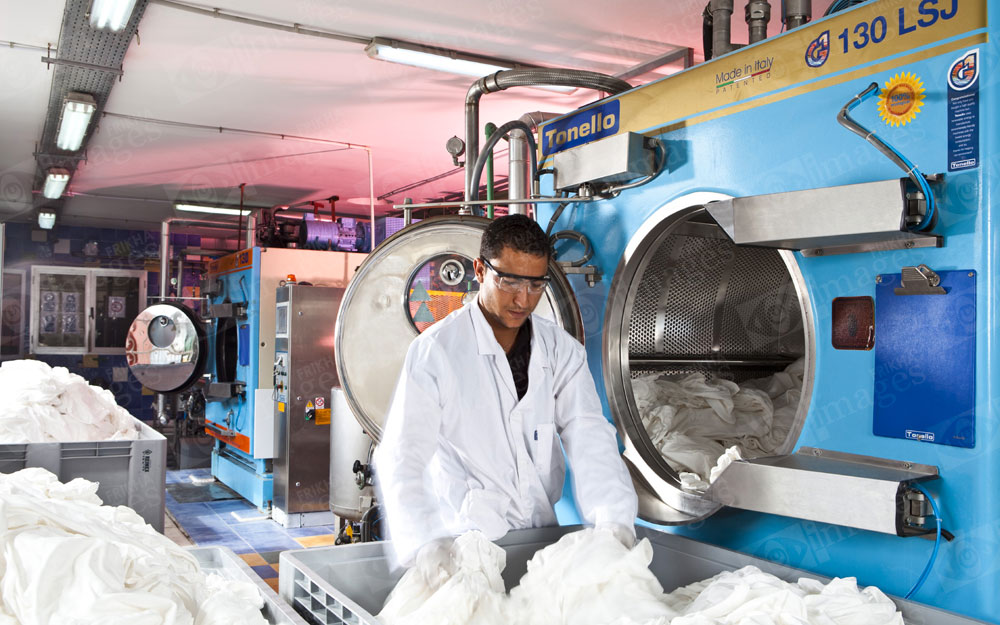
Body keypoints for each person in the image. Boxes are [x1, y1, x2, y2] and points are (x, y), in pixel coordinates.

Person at [374, 214, 638, 573]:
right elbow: (403, 455)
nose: (522, 299)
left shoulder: (560, 349)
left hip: (540, 539)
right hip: (464, 547)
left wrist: (614, 520)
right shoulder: (436, 351)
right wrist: (424, 542)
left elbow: (588, 432)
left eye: (535, 285)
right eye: (509, 281)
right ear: (480, 270)